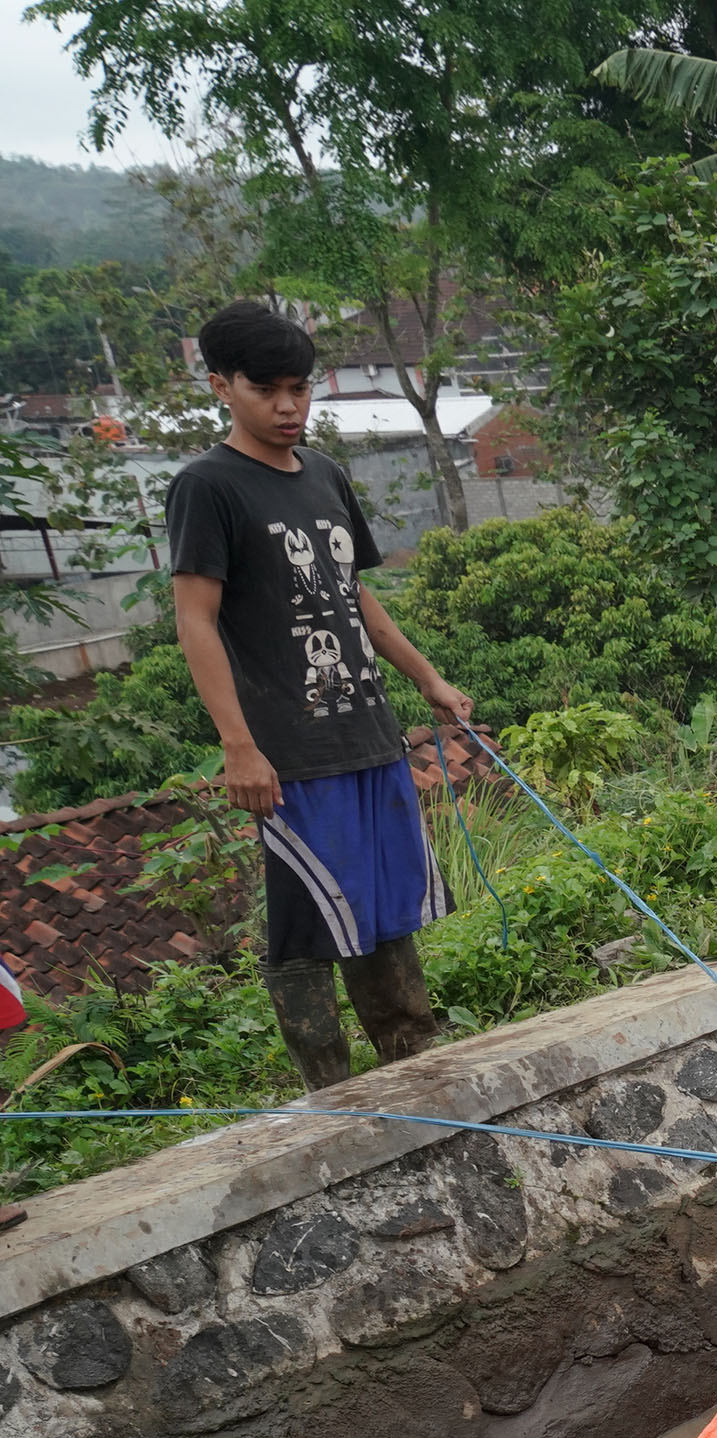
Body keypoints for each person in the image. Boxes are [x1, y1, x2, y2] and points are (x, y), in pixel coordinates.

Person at [162, 298, 470, 1094]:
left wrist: (426, 677)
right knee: (306, 925)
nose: (289, 406)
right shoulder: (208, 487)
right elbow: (195, 621)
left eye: (300, 388)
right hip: (289, 754)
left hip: (366, 732)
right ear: (221, 385)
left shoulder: (326, 475)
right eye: (267, 389)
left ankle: (414, 1070)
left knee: (384, 909)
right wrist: (240, 745)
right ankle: (331, 1094)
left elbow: (353, 596)